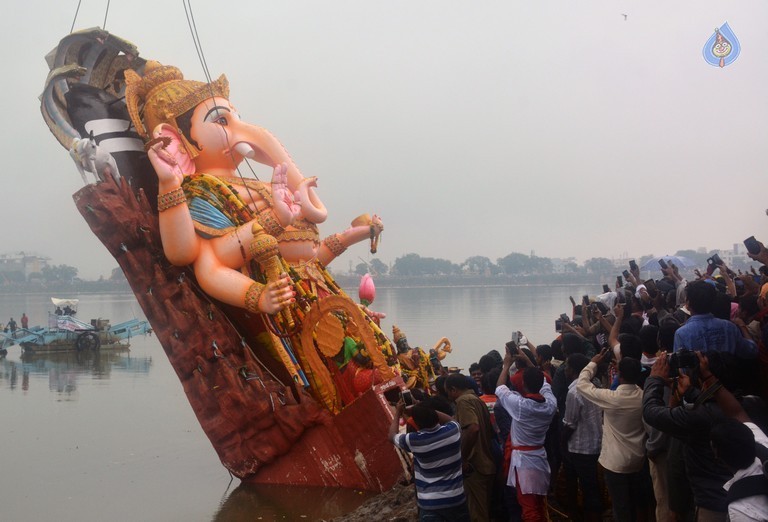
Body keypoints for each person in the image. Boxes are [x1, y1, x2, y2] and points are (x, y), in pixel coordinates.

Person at [577, 350, 648, 522]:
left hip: (615, 464)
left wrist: (592, 363)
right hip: (638, 461)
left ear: (619, 374)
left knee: (620, 507)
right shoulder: (644, 397)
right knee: (634, 504)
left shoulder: (611, 398)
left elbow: (582, 384)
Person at [495, 351, 557, 522]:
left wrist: (506, 364)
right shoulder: (550, 404)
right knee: (539, 504)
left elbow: (500, 388)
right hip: (540, 458)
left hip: (524, 464)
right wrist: (529, 361)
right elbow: (544, 382)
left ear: (522, 383)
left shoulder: (520, 406)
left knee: (529, 510)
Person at [389, 402, 470, 521]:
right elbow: (450, 419)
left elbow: (391, 436)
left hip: (430, 504)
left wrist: (397, 413)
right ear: (434, 416)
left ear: (417, 423)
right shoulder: (452, 431)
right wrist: (426, 408)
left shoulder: (414, 441)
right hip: (456, 499)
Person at [444, 373, 496, 522]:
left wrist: (463, 458)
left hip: (475, 468)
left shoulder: (463, 401)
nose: (448, 395)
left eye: (447, 391)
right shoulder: (477, 400)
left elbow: (473, 428)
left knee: (478, 516)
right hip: (487, 464)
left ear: (453, 389)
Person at [562, 353, 603, 522]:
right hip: (595, 444)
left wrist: (562, 442)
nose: (565, 369)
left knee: (576, 487)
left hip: (578, 448)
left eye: (566, 366)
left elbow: (570, 423)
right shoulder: (595, 385)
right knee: (591, 488)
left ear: (572, 370)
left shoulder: (574, 391)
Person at [673, 280, 757, 358]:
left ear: (688, 303)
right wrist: (742, 326)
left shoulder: (682, 333)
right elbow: (751, 350)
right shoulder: (729, 327)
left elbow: (682, 369)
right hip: (730, 373)